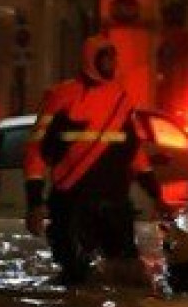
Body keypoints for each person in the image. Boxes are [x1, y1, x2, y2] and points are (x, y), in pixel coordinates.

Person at [23, 35, 168, 283]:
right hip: (72, 202)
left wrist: (155, 192)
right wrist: (34, 202)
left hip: (114, 201)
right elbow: (36, 151)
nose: (111, 63)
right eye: (106, 58)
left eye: (113, 58)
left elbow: (136, 153)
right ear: (92, 60)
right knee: (75, 274)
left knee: (126, 274)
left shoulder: (122, 99)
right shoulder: (61, 96)